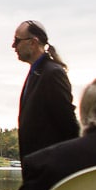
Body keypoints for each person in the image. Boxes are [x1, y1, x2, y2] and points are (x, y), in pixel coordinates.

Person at [12, 20, 79, 158]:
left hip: (50, 166)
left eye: (17, 40)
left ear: (33, 43)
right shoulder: (37, 73)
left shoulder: (53, 73)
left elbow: (68, 124)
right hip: (38, 166)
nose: (13, 46)